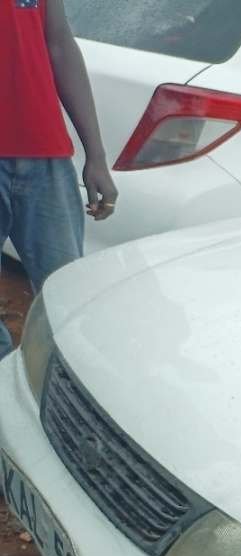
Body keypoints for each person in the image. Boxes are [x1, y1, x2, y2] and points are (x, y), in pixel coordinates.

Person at [0, 0, 117, 359]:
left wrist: (95, 155)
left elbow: (59, 45)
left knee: (69, 299)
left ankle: (64, 401)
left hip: (45, 158)